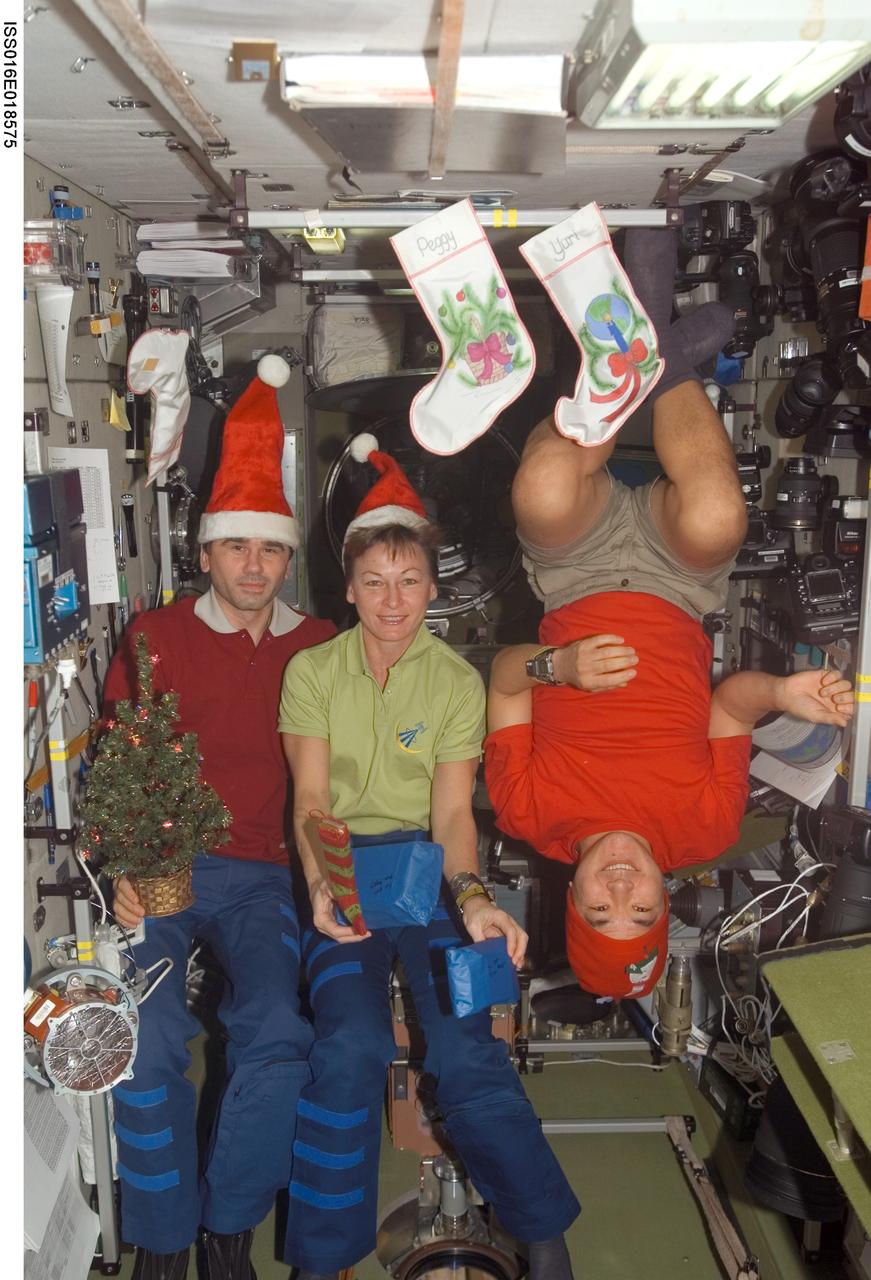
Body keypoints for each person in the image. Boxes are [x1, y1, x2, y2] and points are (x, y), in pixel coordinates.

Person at [485, 228, 855, 1001]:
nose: (621, 889)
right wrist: (781, 695)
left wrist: (561, 666)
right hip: (678, 585)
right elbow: (727, 703)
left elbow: (502, 680)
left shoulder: (525, 813)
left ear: (570, 901)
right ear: (666, 901)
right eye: (641, 909)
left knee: (541, 492)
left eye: (599, 908)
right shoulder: (706, 830)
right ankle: (650, 344)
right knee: (720, 515)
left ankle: (652, 346)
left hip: (571, 575)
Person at [278, 436, 580, 1280]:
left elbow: (452, 811)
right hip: (341, 868)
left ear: (431, 586)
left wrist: (475, 898)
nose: (392, 599)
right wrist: (318, 887)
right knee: (347, 1046)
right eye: (374, 582)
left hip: (427, 870)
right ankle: (320, 1259)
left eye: (409, 580)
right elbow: (309, 803)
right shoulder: (311, 672)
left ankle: (543, 1237)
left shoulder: (452, 683)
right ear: (349, 587)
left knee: (464, 1052)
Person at [105, 357, 336, 1280]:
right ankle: (163, 1233)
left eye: (271, 549)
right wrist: (123, 864)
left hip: (261, 876)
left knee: (276, 1027)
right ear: (205, 552)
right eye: (237, 547)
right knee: (149, 1036)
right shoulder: (155, 639)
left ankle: (228, 1225)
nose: (254, 566)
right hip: (164, 867)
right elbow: (123, 758)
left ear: (287, 558)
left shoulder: (320, 647)